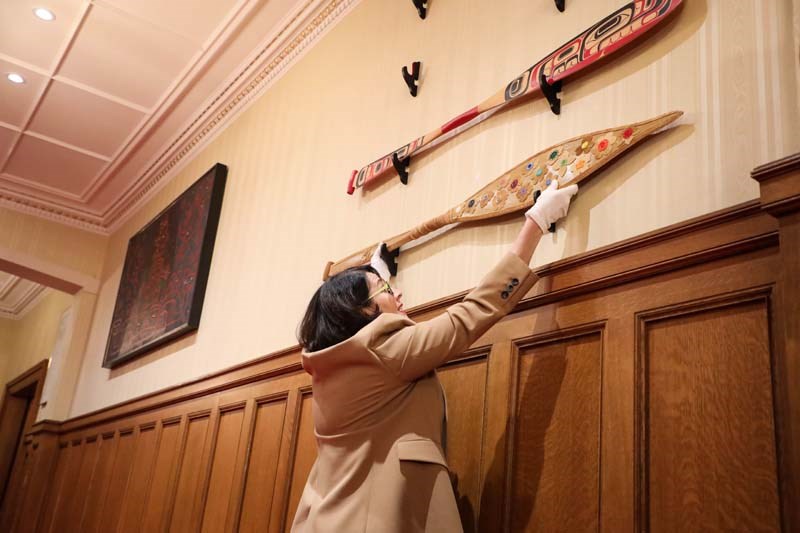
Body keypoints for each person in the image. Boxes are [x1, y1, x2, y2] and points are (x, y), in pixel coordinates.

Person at [292, 180, 579, 532]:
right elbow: (468, 316)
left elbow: (388, 350)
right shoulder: (383, 350)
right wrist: (535, 222)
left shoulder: (329, 365)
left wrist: (379, 280)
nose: (396, 294)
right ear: (363, 313)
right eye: (384, 290)